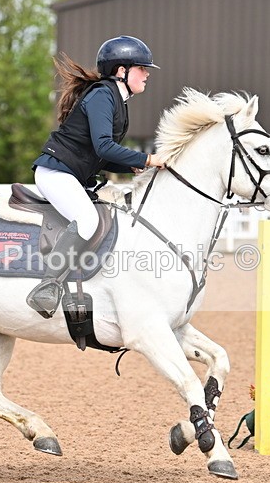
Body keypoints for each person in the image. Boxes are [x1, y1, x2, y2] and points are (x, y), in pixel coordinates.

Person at [26, 35, 166, 317]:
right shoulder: (103, 95)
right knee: (88, 220)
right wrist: (147, 159)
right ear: (121, 70)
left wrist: (132, 166)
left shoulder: (117, 100)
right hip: (55, 172)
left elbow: (99, 156)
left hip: (70, 173)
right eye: (141, 68)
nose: (147, 73)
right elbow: (104, 146)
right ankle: (47, 286)